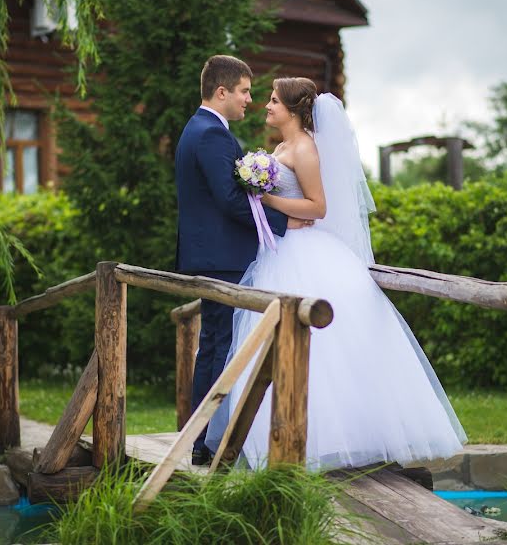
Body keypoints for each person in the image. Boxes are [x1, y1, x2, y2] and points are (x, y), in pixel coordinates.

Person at [205, 77, 467, 470]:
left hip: (306, 254)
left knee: (322, 350)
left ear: (293, 110)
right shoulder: (280, 147)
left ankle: (326, 442)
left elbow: (318, 206)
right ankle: (274, 442)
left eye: (274, 101)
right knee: (270, 345)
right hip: (279, 252)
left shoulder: (306, 149)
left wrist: (263, 197)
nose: (267, 106)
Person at [174, 56, 311, 466]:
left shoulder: (197, 129)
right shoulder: (212, 135)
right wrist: (284, 220)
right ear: (222, 92)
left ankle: (202, 441)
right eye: (245, 91)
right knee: (220, 349)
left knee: (215, 346)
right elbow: (232, 199)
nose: (250, 99)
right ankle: (205, 444)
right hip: (222, 257)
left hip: (210, 254)